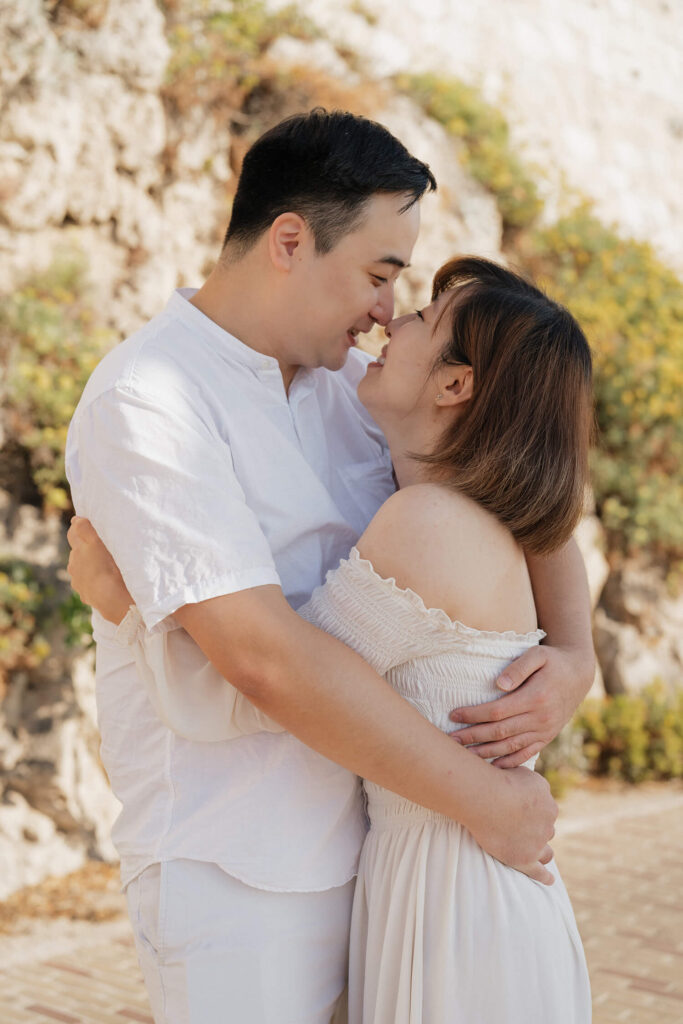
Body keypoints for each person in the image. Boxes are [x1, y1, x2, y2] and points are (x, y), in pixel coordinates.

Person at [66, 110, 594, 1024]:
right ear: (289, 241)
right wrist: (488, 801)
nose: (388, 309)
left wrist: (577, 655)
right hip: (242, 873)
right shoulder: (152, 402)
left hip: (389, 864)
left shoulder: (356, 388)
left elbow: (521, 482)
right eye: (380, 274)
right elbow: (267, 662)